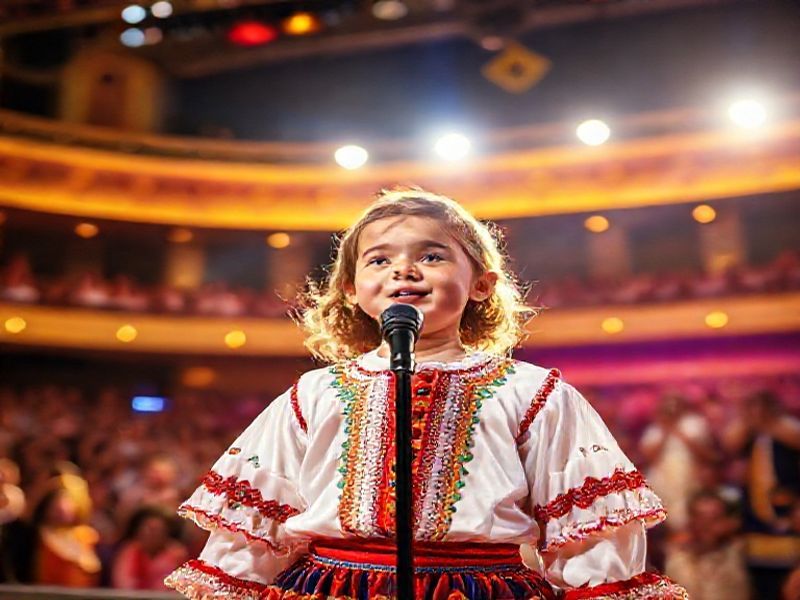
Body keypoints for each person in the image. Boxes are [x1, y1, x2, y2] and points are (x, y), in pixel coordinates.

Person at [165, 188, 687, 599]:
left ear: (481, 283)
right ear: (350, 289)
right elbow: (257, 528)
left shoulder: (532, 392)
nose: (403, 270)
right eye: (378, 260)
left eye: (432, 255)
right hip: (328, 587)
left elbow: (589, 535)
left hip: (482, 591)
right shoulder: (314, 392)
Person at [665, 490, 750, 600]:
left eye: (714, 519)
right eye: (701, 518)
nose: (706, 526)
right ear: (691, 521)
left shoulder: (740, 555)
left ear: (726, 521)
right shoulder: (675, 561)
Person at [112, 506, 188, 590]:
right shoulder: (128, 553)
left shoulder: (178, 555)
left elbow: (177, 586)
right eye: (149, 530)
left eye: (157, 530)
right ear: (139, 532)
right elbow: (124, 584)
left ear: (166, 533)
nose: (152, 535)